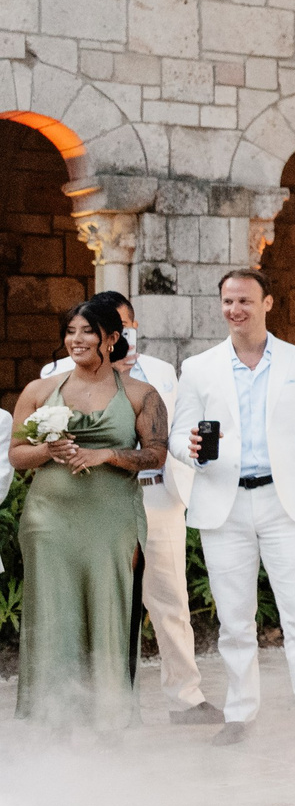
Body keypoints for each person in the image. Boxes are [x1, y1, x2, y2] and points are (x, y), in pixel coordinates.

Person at [169, 269, 295, 745]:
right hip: (222, 505)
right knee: (234, 620)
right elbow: (179, 436)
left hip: (285, 504)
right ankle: (240, 714)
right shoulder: (199, 367)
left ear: (267, 303)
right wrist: (191, 448)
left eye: (245, 300)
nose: (235, 310)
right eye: (228, 301)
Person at [40, 291, 214, 722]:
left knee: (169, 599)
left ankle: (185, 697)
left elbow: (168, 436)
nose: (119, 336)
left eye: (126, 327)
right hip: (96, 501)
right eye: (108, 328)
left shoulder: (161, 371)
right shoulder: (57, 374)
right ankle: (98, 704)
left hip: (158, 497)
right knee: (98, 603)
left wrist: (195, 451)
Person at [9, 300, 168, 727]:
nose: (76, 340)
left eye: (87, 331)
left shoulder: (140, 394)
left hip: (112, 522)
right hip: (49, 521)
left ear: (112, 338)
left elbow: (156, 455)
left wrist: (107, 455)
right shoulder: (39, 390)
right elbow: (17, 455)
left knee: (110, 608)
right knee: (52, 613)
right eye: (70, 331)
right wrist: (48, 450)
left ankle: (109, 718)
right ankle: (50, 720)